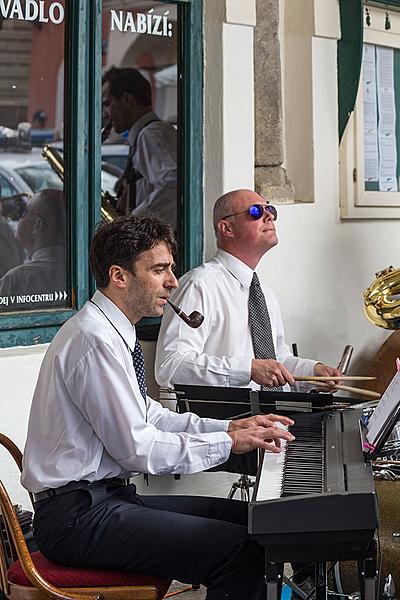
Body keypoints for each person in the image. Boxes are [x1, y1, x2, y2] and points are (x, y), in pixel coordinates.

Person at [21, 215, 295, 600]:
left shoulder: (114, 329)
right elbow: (138, 448)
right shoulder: (95, 340)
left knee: (254, 523)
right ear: (120, 276)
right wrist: (229, 445)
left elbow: (151, 415)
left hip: (104, 499)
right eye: (159, 270)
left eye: (171, 268)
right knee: (240, 550)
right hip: (76, 518)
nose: (173, 281)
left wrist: (230, 428)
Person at [155, 188, 341, 391]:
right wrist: (247, 370)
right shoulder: (199, 285)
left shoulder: (265, 294)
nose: (269, 216)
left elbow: (277, 360)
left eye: (270, 209)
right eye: (255, 212)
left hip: (272, 418)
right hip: (224, 420)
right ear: (227, 228)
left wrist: (313, 373)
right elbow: (171, 365)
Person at [102, 67, 177, 228]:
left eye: (107, 104)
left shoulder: (150, 135)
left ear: (126, 99)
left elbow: (173, 185)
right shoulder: (147, 134)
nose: (106, 114)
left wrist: (132, 224)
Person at [0, 189, 66, 309]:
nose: (19, 218)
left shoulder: (15, 281)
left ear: (37, 224)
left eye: (23, 213)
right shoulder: (81, 272)